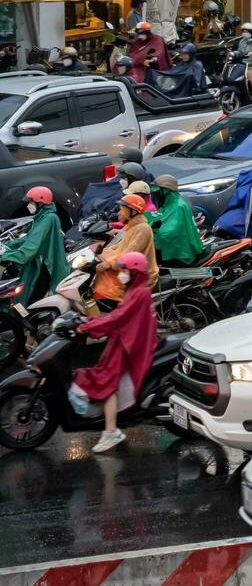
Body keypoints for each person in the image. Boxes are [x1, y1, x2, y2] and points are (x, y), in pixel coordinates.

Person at [72, 251, 157, 454]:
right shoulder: (133, 291)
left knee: (107, 380)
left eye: (124, 271)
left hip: (130, 346)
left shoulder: (140, 294)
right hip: (123, 341)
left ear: (134, 272)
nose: (120, 275)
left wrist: (87, 325)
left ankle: (111, 430)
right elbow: (118, 316)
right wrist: (89, 322)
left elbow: (118, 318)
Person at [3, 187, 67, 305]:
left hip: (46, 266)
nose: (29, 205)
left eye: (31, 202)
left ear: (40, 202)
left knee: (30, 302)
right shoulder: (42, 217)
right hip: (40, 263)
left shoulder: (48, 218)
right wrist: (7, 245)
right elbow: (28, 238)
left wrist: (7, 256)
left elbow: (30, 247)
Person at [94, 194, 157, 308]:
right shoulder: (130, 227)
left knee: (106, 289)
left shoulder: (142, 229)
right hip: (126, 269)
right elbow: (118, 247)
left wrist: (108, 263)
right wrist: (101, 253)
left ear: (132, 212)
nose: (119, 213)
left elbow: (128, 254)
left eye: (122, 210)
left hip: (138, 275)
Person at [148, 175, 203, 265]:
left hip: (180, 252)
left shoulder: (178, 206)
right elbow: (159, 217)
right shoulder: (167, 204)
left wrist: (155, 232)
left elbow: (169, 232)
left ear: (166, 191)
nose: (155, 195)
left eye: (157, 192)